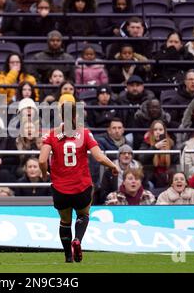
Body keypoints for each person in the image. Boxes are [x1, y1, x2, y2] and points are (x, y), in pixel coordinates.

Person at [38, 93, 120, 263]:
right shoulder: (84, 133)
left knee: (64, 221)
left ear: (61, 115)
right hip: (81, 186)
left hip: (60, 188)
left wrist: (45, 172)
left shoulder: (51, 134)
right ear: (76, 115)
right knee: (83, 214)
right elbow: (99, 157)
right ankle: (78, 240)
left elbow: (41, 160)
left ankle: (68, 257)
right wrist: (113, 166)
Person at [138, 120, 178, 190]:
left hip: (168, 177)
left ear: (164, 131)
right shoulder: (146, 142)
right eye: (155, 130)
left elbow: (176, 161)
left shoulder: (171, 143)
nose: (158, 132)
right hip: (151, 179)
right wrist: (155, 147)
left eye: (160, 130)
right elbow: (142, 158)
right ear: (152, 132)